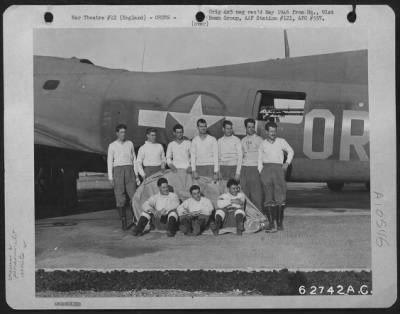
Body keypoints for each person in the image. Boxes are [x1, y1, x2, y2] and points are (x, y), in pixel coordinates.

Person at [258, 121, 294, 232]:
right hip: (266, 170)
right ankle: (271, 223)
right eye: (270, 131)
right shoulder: (263, 143)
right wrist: (261, 172)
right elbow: (259, 159)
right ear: (266, 131)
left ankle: (279, 223)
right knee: (268, 197)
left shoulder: (281, 141)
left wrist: (287, 163)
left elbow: (291, 151)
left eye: (274, 131)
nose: (273, 133)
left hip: (278, 170)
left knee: (280, 196)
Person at [107, 124, 140, 230]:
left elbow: (134, 159)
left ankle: (136, 219)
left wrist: (136, 175)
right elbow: (109, 162)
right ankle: (124, 221)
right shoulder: (112, 145)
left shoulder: (130, 143)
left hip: (129, 170)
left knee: (133, 195)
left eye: (124, 132)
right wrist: (111, 177)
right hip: (118, 171)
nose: (123, 134)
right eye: (121, 132)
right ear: (117, 133)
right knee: (120, 197)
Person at [240, 118, 264, 213]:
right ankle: (247, 216)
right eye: (249, 127)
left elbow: (262, 156)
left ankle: (259, 217)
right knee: (245, 194)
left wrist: (261, 170)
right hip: (244, 169)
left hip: (255, 169)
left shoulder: (259, 140)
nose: (251, 129)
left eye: (252, 127)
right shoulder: (242, 140)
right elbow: (241, 156)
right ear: (246, 128)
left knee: (256, 195)